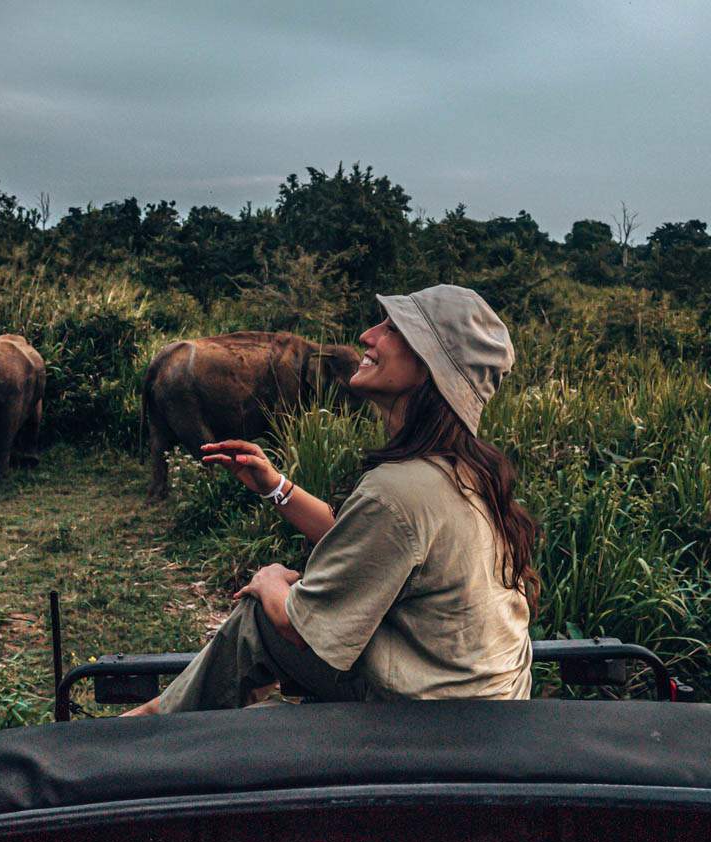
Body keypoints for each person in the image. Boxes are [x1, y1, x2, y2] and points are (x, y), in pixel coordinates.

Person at [124, 284, 539, 716]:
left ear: (428, 368)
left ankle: (157, 720)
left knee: (259, 618)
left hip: (423, 720)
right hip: (481, 702)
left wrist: (268, 581)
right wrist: (275, 485)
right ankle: (164, 712)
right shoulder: (462, 470)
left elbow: (299, 627)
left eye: (393, 328)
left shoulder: (398, 492)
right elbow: (369, 537)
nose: (368, 335)